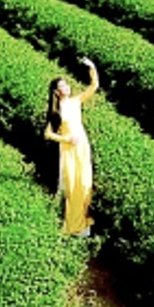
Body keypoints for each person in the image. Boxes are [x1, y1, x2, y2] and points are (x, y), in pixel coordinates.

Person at [44, 57, 99, 237]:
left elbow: (93, 87)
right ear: (57, 92)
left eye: (66, 84)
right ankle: (72, 225)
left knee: (84, 184)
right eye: (62, 86)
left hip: (82, 147)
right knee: (72, 186)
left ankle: (82, 223)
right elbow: (48, 134)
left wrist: (92, 68)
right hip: (68, 150)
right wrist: (65, 138)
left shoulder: (75, 101)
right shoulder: (56, 111)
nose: (66, 87)